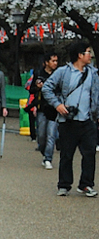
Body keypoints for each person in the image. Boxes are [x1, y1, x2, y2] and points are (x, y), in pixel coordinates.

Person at [42, 40, 99, 196]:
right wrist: (57, 105)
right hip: (67, 120)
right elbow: (47, 88)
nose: (90, 55)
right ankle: (64, 185)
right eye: (88, 52)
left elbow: (96, 95)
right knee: (67, 154)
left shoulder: (93, 73)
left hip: (87, 120)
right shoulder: (63, 72)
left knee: (89, 154)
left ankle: (86, 184)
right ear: (80, 55)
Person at [29, 53, 59, 170]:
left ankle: (48, 158)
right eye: (53, 61)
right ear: (46, 62)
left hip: (54, 108)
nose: (55, 63)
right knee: (42, 135)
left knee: (51, 135)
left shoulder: (59, 74)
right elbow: (31, 90)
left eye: (56, 61)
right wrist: (37, 87)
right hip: (42, 107)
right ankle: (43, 151)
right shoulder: (38, 73)